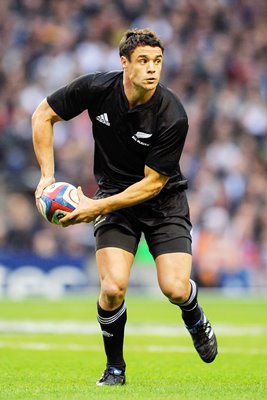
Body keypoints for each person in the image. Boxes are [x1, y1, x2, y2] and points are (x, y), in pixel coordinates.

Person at [32, 28, 218, 386]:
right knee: (113, 287)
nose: (152, 69)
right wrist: (46, 177)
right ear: (124, 63)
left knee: (175, 288)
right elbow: (43, 115)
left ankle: (194, 315)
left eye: (158, 62)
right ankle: (115, 368)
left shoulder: (172, 115)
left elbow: (152, 184)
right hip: (116, 198)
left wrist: (94, 207)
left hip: (164, 202)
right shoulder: (97, 89)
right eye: (144, 61)